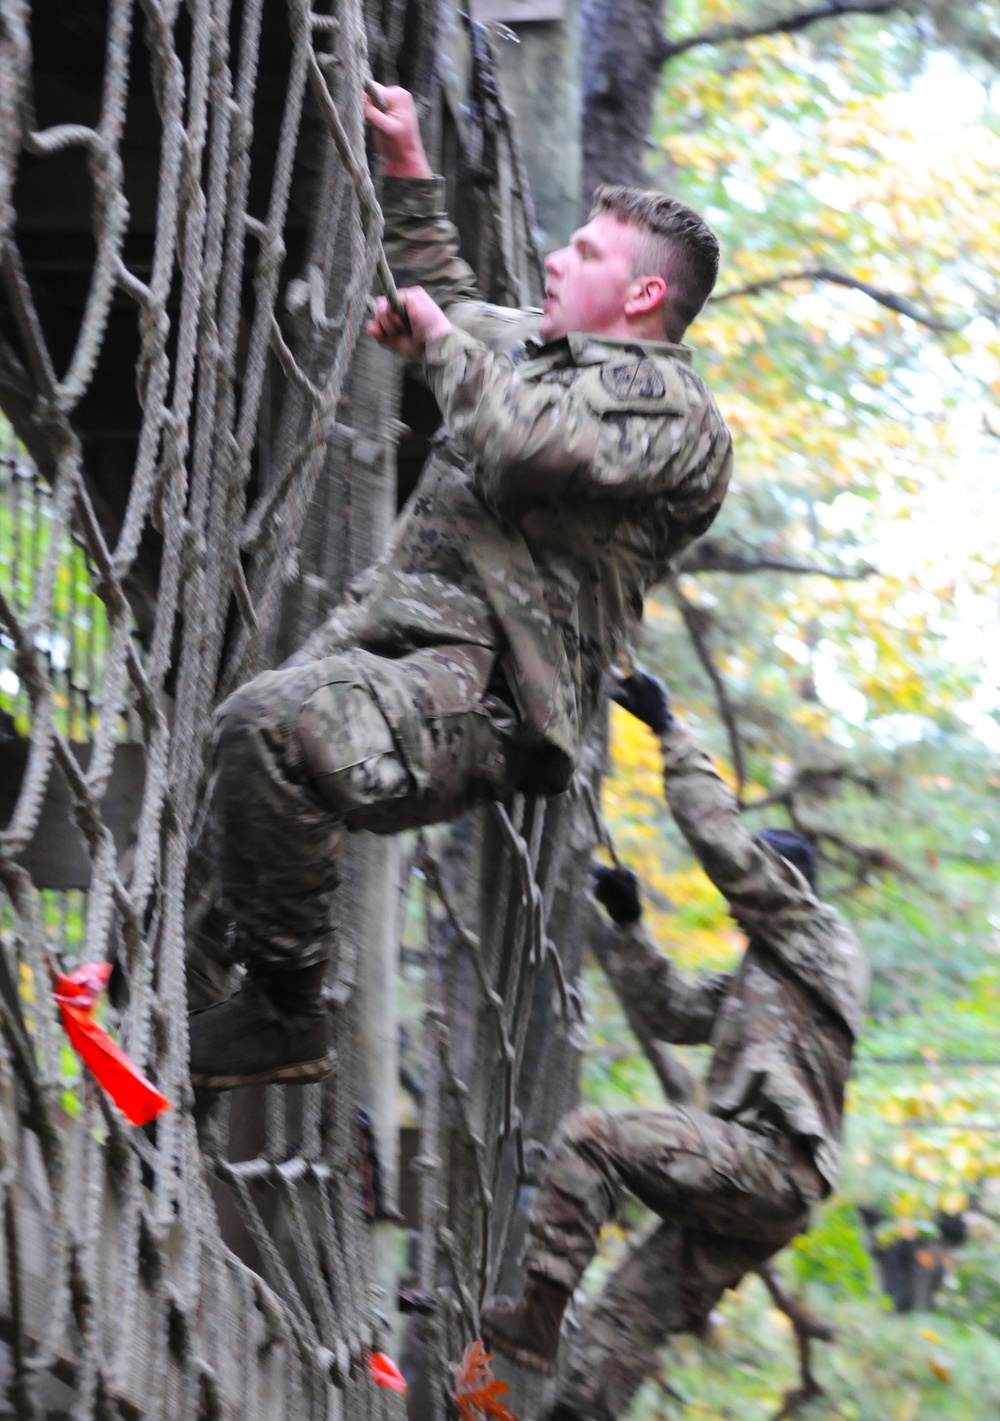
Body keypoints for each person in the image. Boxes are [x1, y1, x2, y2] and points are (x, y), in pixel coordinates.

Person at [187, 89, 733, 1089]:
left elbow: (529, 441)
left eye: (585, 253)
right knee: (216, 827)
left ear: (645, 297)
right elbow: (441, 286)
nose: (557, 262)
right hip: (384, 650)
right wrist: (404, 158)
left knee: (266, 727)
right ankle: (163, 1054)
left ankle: (283, 1018)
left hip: (485, 696)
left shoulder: (675, 413)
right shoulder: (535, 345)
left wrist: (438, 341)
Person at [481, 670, 869, 1421]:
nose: (739, 909)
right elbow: (673, 1009)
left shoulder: (818, 935)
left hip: (770, 1162)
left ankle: (535, 1316)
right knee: (623, 1324)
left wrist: (670, 731)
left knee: (591, 1138)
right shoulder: (773, 970)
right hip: (771, 1189)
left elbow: (719, 840)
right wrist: (629, 925)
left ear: (786, 884)